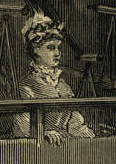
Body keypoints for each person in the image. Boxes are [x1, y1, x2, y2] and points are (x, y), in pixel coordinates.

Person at [12, 11, 94, 143]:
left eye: (58, 48)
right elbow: (21, 128)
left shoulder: (63, 85)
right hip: (39, 148)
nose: (57, 54)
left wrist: (88, 136)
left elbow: (74, 121)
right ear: (35, 49)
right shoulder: (26, 86)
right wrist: (43, 132)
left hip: (65, 146)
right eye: (50, 48)